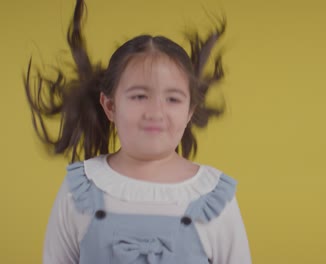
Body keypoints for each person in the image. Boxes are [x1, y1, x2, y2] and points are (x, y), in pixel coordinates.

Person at [24, 0, 251, 263]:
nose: (155, 112)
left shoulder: (213, 197)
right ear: (110, 106)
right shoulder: (80, 190)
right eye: (139, 96)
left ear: (190, 111)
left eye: (173, 99)